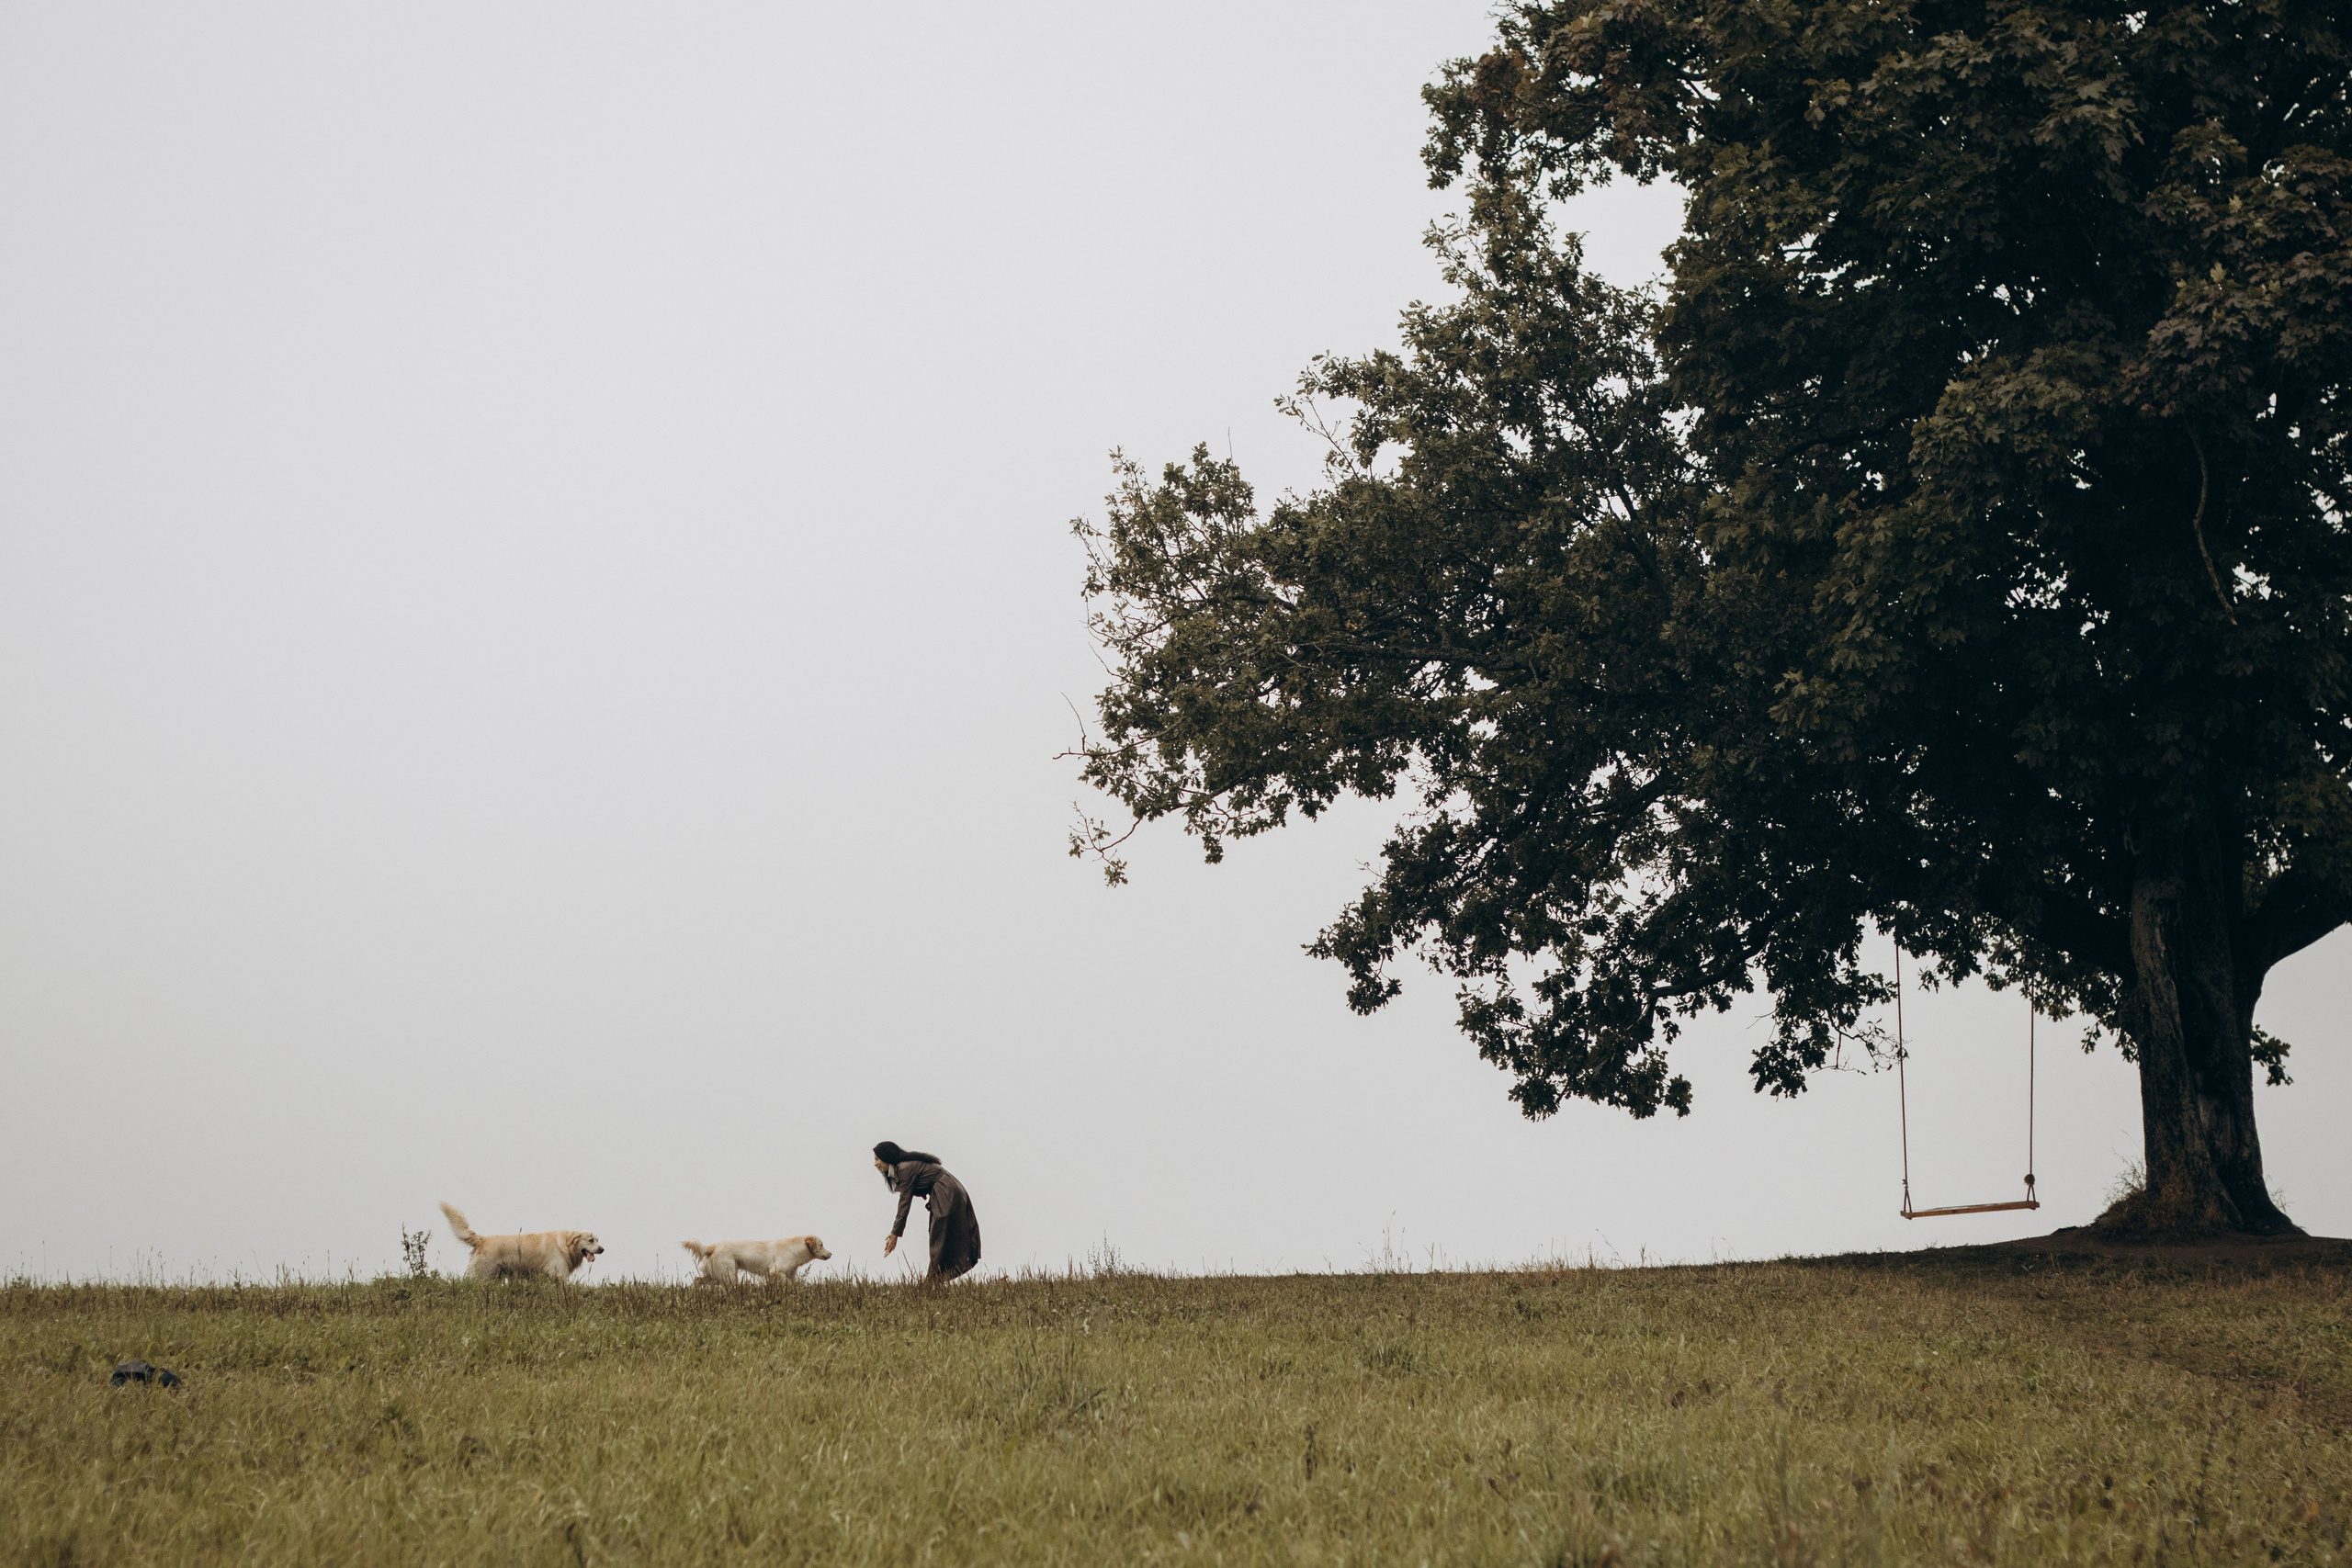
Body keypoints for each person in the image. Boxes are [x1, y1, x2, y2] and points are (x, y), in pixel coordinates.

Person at [874, 1141, 980, 1282]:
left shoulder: (904, 1168)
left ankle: (932, 1281)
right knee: (939, 1234)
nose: (875, 1164)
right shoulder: (902, 1168)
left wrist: (895, 1233)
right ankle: (935, 1279)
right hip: (946, 1191)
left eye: (877, 1159)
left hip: (947, 1191)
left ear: (887, 1157)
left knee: (940, 1235)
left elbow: (904, 1202)